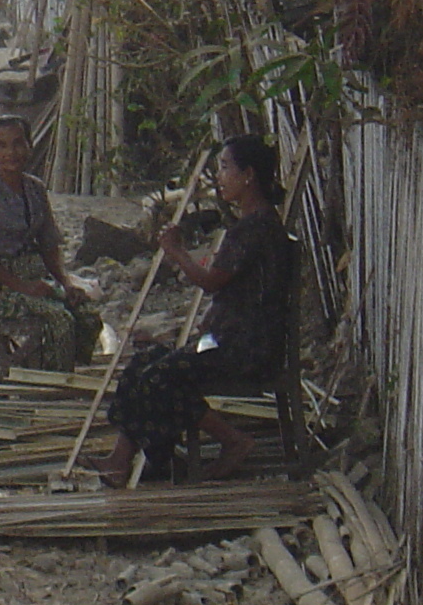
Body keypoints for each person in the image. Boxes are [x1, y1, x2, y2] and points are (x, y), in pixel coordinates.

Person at [102, 135, 296, 485]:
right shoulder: (252, 225)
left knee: (161, 377)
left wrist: (176, 251)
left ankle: (232, 440)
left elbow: (211, 282)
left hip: (243, 347)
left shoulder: (255, 229)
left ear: (249, 175)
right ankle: (120, 459)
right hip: (221, 339)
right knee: (144, 362)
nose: (219, 177)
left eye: (225, 168)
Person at [0, 117, 104, 371]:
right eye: (2, 146)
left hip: (35, 279)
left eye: (18, 144)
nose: (11, 153)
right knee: (59, 321)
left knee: (88, 317)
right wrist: (22, 286)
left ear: (29, 146)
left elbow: (49, 244)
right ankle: (49, 385)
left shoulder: (35, 189)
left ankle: (58, 371)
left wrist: (66, 282)